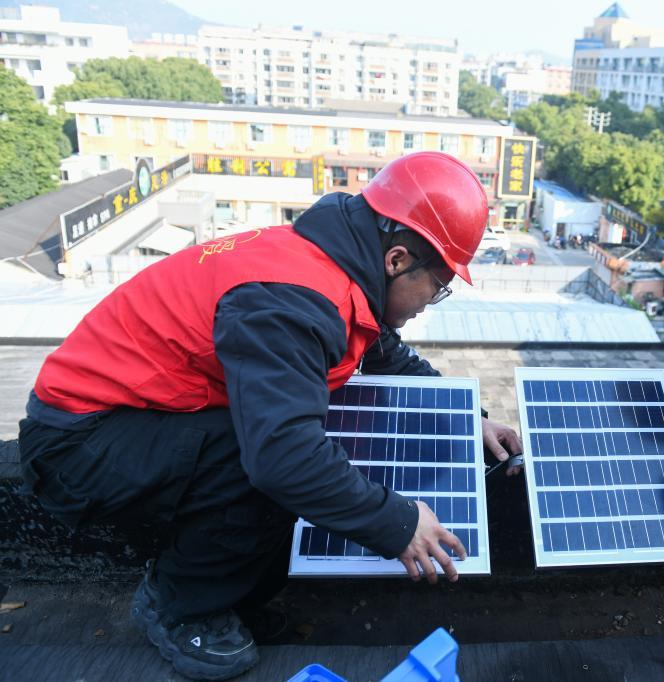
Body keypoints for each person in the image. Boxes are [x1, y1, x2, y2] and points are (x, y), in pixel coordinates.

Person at [18, 151, 523, 681]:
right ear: (397, 260)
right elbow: (283, 457)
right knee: (269, 452)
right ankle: (177, 606)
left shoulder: (339, 268)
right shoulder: (290, 300)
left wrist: (467, 418)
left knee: (281, 440)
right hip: (79, 445)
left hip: (147, 421)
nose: (430, 301)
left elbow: (385, 354)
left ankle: (224, 594)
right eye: (438, 287)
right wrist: (397, 524)